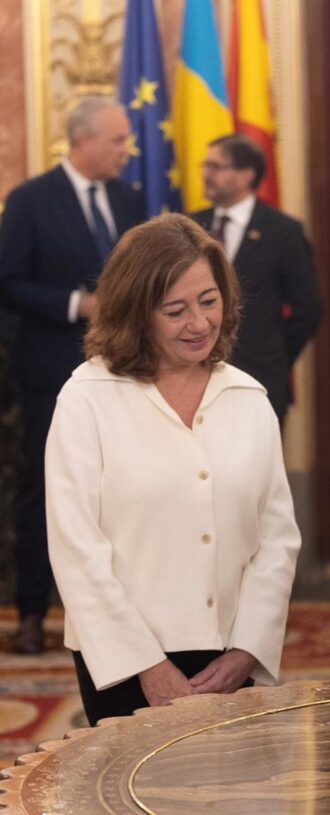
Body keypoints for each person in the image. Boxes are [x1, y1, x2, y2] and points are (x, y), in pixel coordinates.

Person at [44, 214, 302, 724]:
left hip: (231, 657)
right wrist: (147, 665)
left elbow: (277, 541)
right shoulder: (85, 399)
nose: (200, 323)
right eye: (175, 310)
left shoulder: (249, 399)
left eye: (209, 301)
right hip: (121, 660)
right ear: (136, 313)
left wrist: (247, 651)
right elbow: (76, 549)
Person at [0, 95, 145, 654]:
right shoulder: (31, 200)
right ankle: (33, 613)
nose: (127, 151)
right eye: (117, 141)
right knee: (44, 491)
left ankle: (124, 612)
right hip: (49, 372)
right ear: (84, 141)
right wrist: (74, 305)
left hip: (125, 372)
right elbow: (8, 281)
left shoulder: (130, 200)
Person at [192, 134, 322, 425]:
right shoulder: (189, 226)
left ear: (246, 175)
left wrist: (274, 356)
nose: (205, 173)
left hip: (260, 379)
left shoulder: (283, 231)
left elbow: (308, 310)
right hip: (193, 379)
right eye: (205, 165)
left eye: (215, 166)